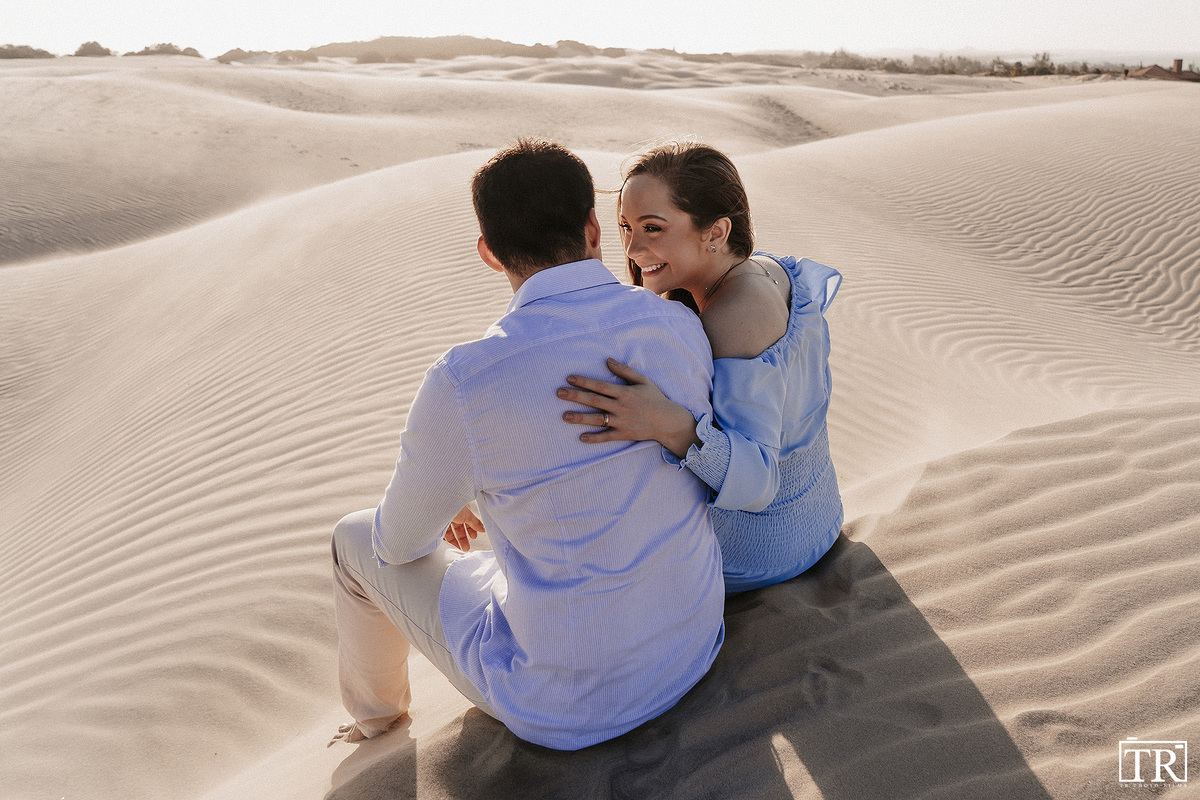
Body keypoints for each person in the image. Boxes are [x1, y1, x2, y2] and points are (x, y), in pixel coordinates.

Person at [330, 139, 725, 751]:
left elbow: (399, 544)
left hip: (572, 705)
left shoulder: (464, 379)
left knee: (354, 540)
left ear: (489, 254)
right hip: (694, 649)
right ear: (595, 229)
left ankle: (376, 725)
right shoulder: (677, 324)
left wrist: (459, 489)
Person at [557, 142, 843, 593]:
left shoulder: (735, 315)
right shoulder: (765, 269)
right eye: (625, 227)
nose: (632, 247)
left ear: (716, 232)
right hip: (817, 519)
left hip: (763, 550)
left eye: (653, 227)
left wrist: (669, 424)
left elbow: (758, 482)